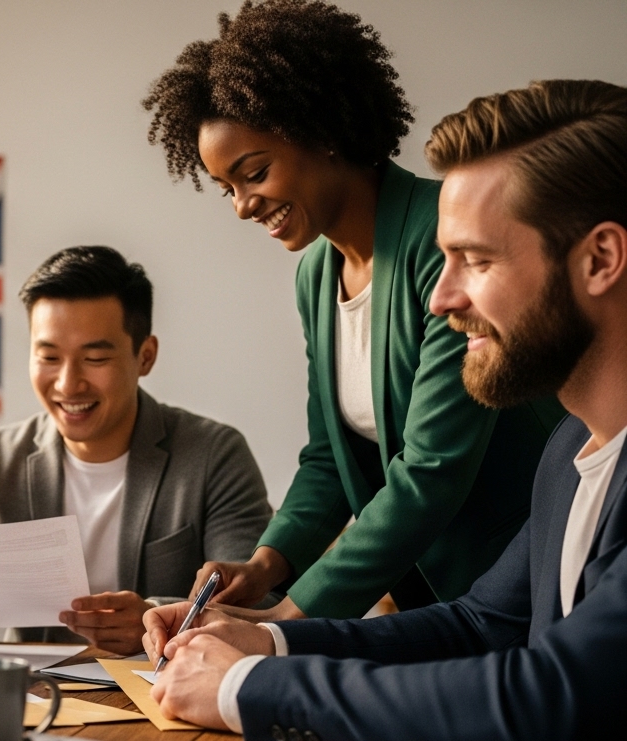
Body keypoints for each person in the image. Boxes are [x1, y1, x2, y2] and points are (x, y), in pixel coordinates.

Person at [144, 79, 627, 741]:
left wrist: (251, 682)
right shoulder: (569, 448)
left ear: (600, 259)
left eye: (477, 260)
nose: (440, 298)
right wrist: (269, 640)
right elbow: (482, 621)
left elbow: (549, 698)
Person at [141, 0, 563, 621]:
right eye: (227, 189)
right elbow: (331, 459)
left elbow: (432, 469)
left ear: (322, 131)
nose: (241, 206)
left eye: (253, 173)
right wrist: (266, 566)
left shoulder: (442, 234)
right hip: (430, 597)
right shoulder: (316, 275)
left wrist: (289, 621)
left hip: (520, 581)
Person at [0, 247, 272, 655]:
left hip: (162, 690)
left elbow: (257, 607)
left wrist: (155, 616)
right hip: (36, 693)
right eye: (48, 357)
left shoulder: (213, 455)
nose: (67, 383)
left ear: (144, 356)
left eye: (94, 358)